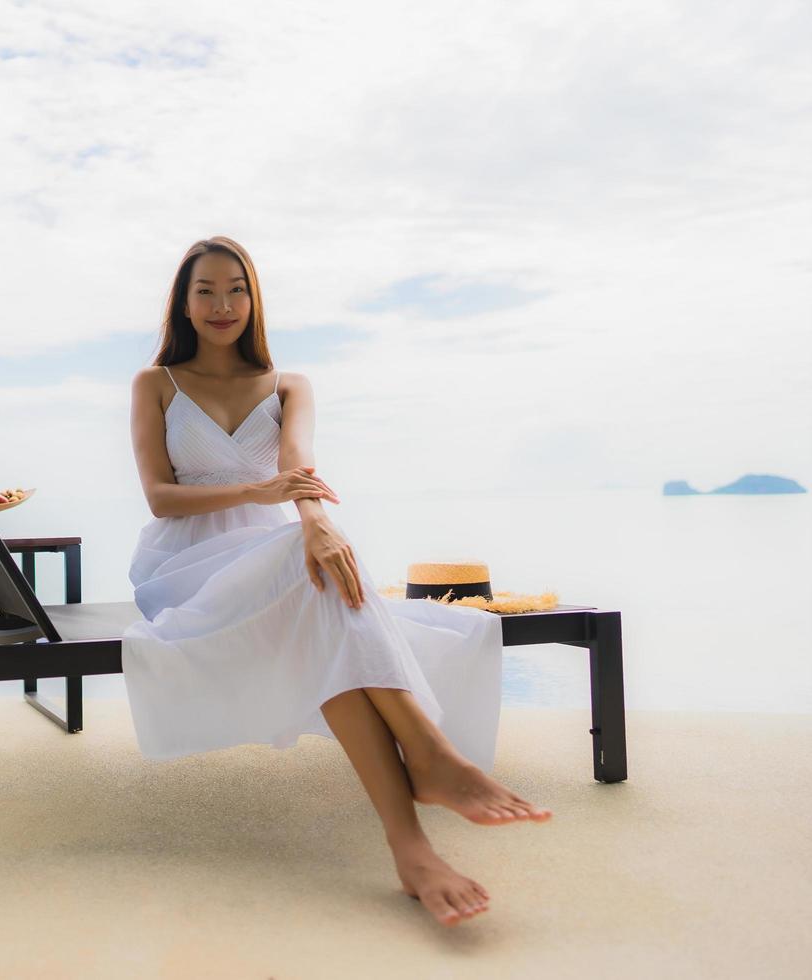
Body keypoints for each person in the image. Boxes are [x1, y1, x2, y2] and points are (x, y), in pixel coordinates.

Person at [121, 236, 551, 929]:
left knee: (323, 599)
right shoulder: (157, 384)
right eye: (206, 290)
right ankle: (431, 758)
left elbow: (301, 465)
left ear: (255, 297)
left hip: (285, 556)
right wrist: (274, 500)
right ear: (184, 302)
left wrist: (316, 521)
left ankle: (411, 849)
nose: (223, 304)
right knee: (315, 573)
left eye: (237, 288)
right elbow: (160, 497)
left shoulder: (290, 385)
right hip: (186, 568)